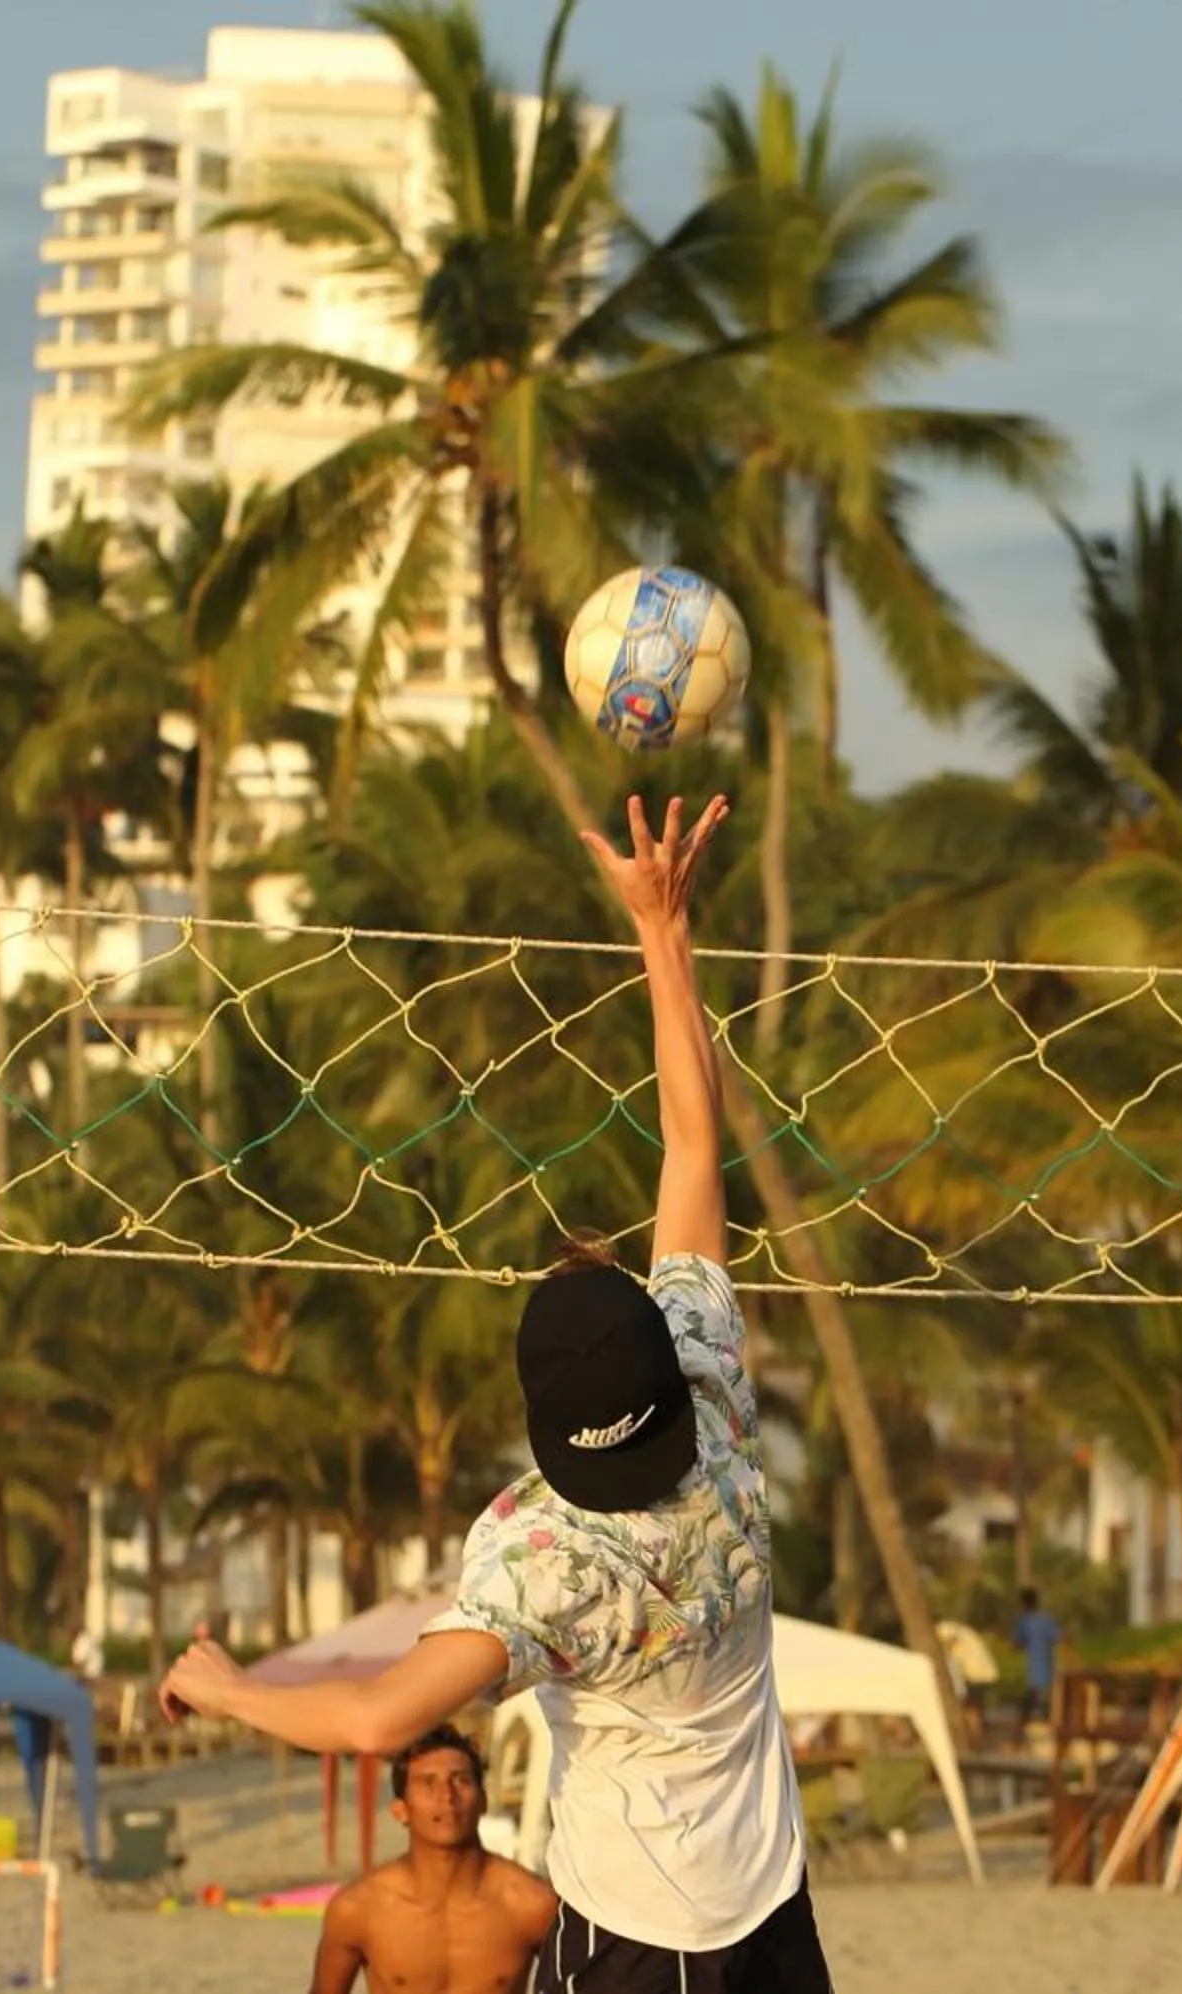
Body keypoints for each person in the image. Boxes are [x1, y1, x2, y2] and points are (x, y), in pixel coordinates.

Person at [161, 796, 835, 1992]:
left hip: (639, 1942)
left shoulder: (542, 1553)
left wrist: (222, 1683)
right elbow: (691, 1140)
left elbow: (374, 1720)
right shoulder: (716, 1389)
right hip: (777, 1927)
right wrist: (662, 926)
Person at [310, 1725, 556, 1994]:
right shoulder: (359, 1908)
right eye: (428, 1783)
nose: (447, 1797)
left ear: (483, 1800)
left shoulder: (531, 1904)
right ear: (400, 1810)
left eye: (460, 1780)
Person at [1012, 1587, 1061, 1731]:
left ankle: (1019, 1734)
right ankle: (1051, 1727)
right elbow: (1059, 1638)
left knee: (1031, 1699)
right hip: (1049, 1665)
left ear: (1023, 1603)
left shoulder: (1024, 1621)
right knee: (1046, 1699)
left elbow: (1017, 1644)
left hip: (1034, 1667)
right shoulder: (1047, 1619)